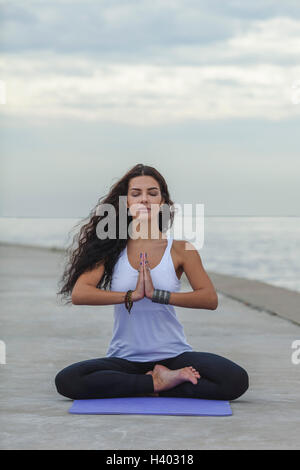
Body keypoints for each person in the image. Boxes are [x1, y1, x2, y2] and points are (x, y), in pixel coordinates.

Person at [55, 164, 249, 401]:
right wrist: (131, 295)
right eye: (136, 194)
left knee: (235, 380)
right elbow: (80, 293)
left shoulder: (181, 249)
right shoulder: (111, 250)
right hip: (125, 358)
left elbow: (209, 298)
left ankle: (149, 383)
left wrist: (158, 295)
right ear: (126, 203)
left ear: (163, 203)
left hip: (174, 355)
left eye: (152, 193)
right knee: (68, 380)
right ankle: (156, 382)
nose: (144, 199)